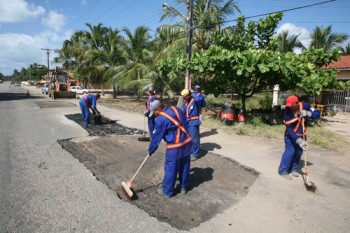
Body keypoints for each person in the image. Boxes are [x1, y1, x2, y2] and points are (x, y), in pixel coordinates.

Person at [147, 100, 192, 198]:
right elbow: (186, 122)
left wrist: (151, 149)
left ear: (158, 109)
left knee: (171, 168)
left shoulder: (161, 119)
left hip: (175, 147)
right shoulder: (176, 109)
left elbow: (156, 137)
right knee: (184, 165)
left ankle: (167, 191)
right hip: (187, 142)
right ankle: (184, 187)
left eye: (154, 112)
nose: (154, 115)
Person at [278, 95, 320, 180]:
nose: (290, 108)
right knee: (290, 151)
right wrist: (299, 140)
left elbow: (317, 114)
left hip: (302, 134)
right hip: (290, 136)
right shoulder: (287, 112)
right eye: (289, 106)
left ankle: (293, 169)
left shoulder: (305, 106)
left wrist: (308, 113)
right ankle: (283, 171)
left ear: (297, 103)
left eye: (292, 106)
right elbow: (289, 129)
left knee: (299, 152)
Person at [181, 89, 201, 161]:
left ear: (189, 95)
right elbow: (182, 111)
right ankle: (190, 151)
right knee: (188, 138)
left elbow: (200, 99)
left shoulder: (195, 101)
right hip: (187, 122)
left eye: (185, 96)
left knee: (195, 139)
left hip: (194, 122)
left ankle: (195, 153)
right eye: (183, 97)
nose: (184, 98)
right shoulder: (185, 102)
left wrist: (193, 93)